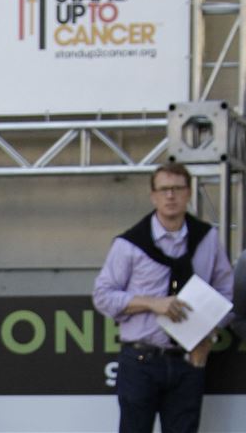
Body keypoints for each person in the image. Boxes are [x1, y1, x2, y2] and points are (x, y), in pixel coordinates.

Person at [93, 163, 235, 433]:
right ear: (153, 196)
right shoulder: (130, 244)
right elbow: (103, 296)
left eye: (177, 189)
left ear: (189, 193)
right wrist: (152, 303)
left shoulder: (207, 238)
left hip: (188, 359)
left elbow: (226, 294)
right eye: (164, 189)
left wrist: (209, 333)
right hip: (141, 359)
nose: (171, 196)